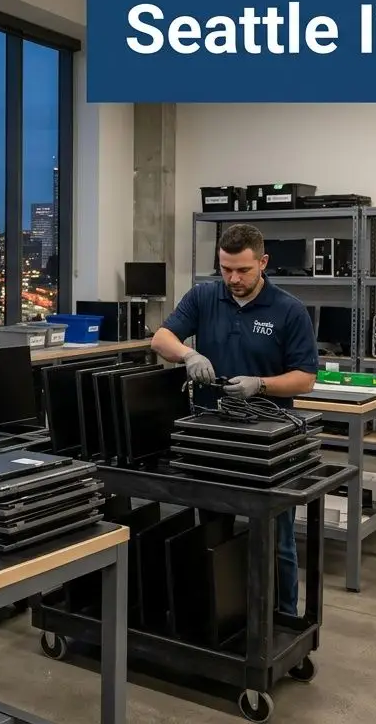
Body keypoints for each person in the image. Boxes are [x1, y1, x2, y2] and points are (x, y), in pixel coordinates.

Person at [149, 223, 317, 618]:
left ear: (263, 262)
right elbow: (161, 339)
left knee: (277, 538)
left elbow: (305, 379)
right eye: (226, 269)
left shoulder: (289, 310)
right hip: (212, 436)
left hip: (269, 442)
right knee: (212, 528)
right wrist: (188, 355)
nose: (234, 279)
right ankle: (218, 613)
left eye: (243, 270)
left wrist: (260, 385)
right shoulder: (205, 297)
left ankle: (285, 616)